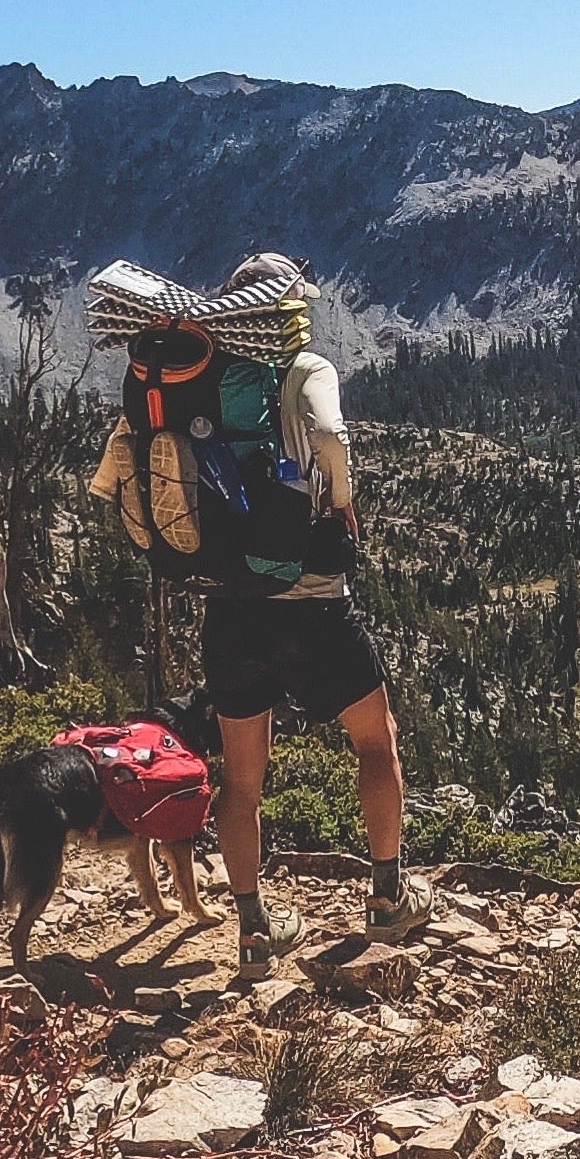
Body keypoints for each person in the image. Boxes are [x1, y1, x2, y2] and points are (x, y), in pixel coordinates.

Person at [100, 249, 430, 978]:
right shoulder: (304, 369)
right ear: (288, 307)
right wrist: (341, 503)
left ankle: (254, 931)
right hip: (313, 603)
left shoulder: (200, 377)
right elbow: (331, 439)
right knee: (377, 744)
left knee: (242, 780)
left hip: (232, 607)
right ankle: (386, 897)